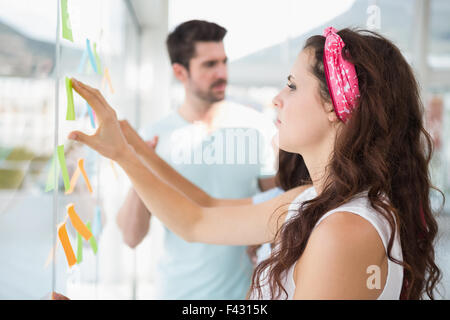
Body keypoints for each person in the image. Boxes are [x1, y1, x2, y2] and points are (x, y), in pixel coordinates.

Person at [68, 27, 442, 300]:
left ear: (334, 105)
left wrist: (124, 154)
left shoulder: (343, 231)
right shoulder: (311, 200)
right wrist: (130, 151)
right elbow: (199, 217)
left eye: (293, 86)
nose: (277, 99)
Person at [115, 20, 277, 300]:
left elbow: (279, 209)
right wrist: (141, 166)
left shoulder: (257, 129)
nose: (222, 73)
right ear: (180, 72)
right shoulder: (154, 137)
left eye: (224, 62)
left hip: (247, 296)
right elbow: (131, 236)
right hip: (179, 294)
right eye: (209, 64)